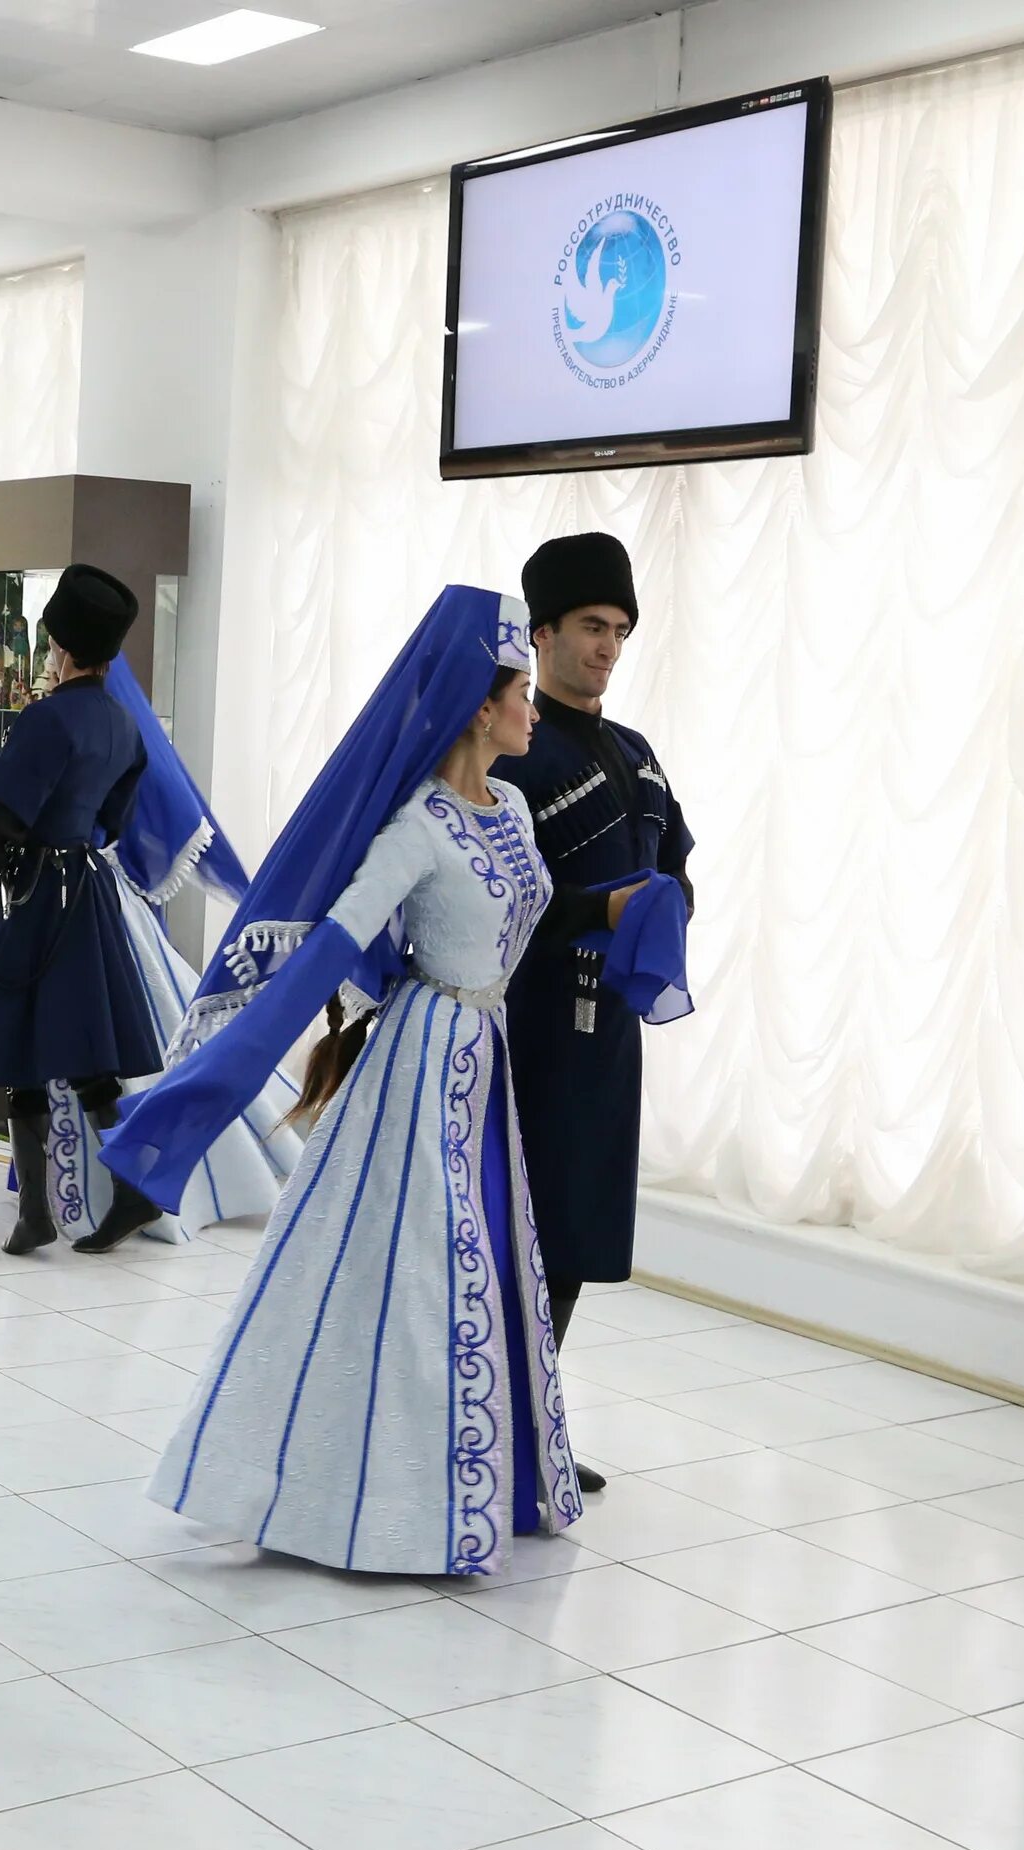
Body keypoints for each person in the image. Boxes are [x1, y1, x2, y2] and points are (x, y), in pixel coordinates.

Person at [100, 586, 586, 1575]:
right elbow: (336, 943)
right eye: (520, 692)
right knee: (407, 1273)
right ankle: (382, 1496)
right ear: (477, 705)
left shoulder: (520, 808)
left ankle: (470, 1475)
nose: (533, 710)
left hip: (483, 1057)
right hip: (419, 1064)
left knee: (482, 1257)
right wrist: (223, 1063)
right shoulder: (419, 827)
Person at [487, 533, 697, 1493]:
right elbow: (495, 896)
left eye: (619, 630)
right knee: (514, 1229)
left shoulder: (639, 756)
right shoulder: (514, 757)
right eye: (590, 628)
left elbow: (677, 861)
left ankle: (535, 1424)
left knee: (569, 1234)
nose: (608, 647)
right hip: (527, 1029)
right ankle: (494, 1428)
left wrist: (667, 910)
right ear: (542, 634)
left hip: (608, 1034)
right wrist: (599, 913)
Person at [38, 663, 301, 1250]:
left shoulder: (81, 717)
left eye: (57, 650)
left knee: (112, 1036)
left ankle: (132, 1180)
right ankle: (72, 1187)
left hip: (83, 891)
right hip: (86, 885)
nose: (51, 663)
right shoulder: (110, 716)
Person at [0, 564, 168, 1255]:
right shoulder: (123, 725)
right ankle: (135, 1193)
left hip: (34, 897)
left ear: (57, 644)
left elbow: (1, 816)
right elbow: (116, 821)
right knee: (91, 1060)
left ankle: (35, 1213)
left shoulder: (47, 718)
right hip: (87, 892)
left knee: (20, 1048)